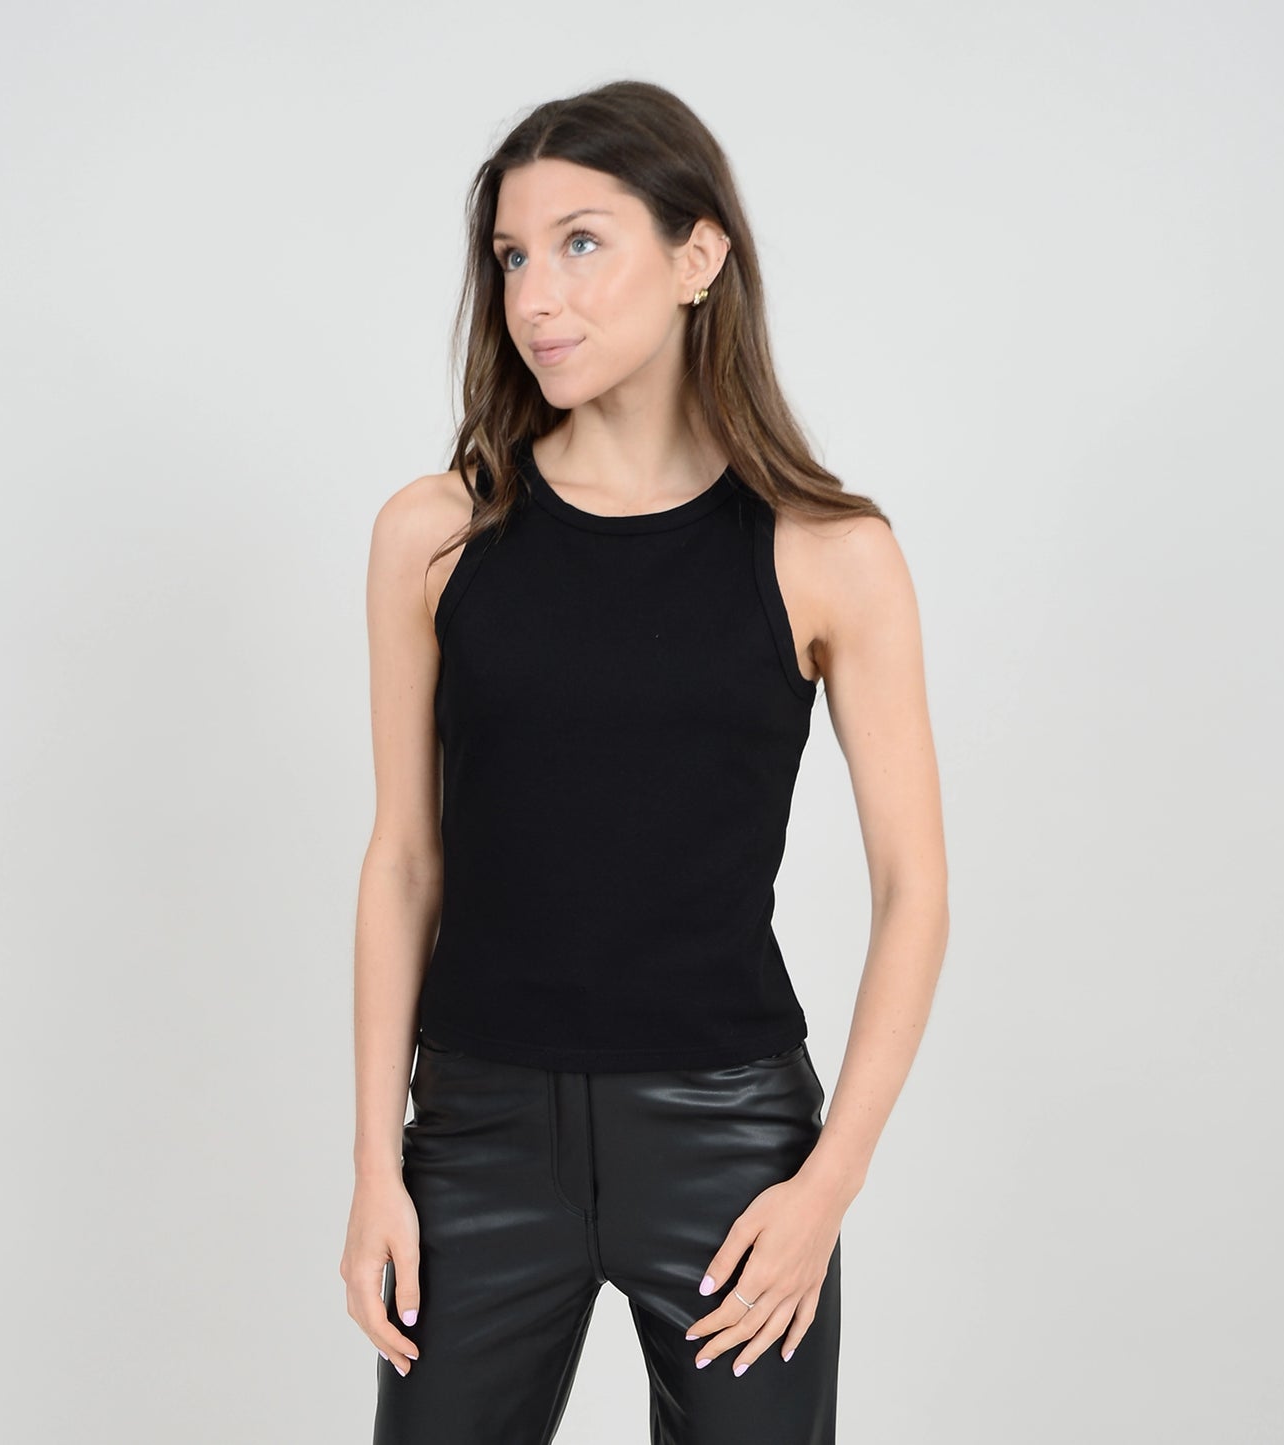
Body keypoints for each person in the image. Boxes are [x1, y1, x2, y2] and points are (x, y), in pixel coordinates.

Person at [340, 79, 949, 1444]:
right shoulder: (434, 536)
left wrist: (827, 1185)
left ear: (696, 256)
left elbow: (914, 888)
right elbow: (405, 862)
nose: (536, 295)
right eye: (511, 256)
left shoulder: (828, 553)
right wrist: (378, 1167)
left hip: (731, 1152)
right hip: (477, 1140)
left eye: (581, 243)